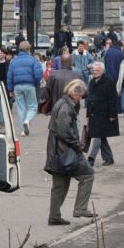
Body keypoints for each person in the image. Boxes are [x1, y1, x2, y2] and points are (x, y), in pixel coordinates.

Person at [45, 79, 95, 226]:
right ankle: (80, 208)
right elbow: (64, 131)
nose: (81, 98)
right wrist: (77, 145)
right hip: (64, 151)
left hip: (57, 152)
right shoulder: (66, 108)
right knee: (87, 174)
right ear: (74, 94)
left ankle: (54, 216)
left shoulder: (62, 103)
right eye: (80, 95)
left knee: (60, 184)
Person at [85, 61, 119, 167]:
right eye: (93, 70)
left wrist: (113, 115)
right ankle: (109, 158)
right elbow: (89, 99)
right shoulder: (91, 82)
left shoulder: (109, 82)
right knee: (101, 137)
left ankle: (91, 158)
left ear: (102, 71)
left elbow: (113, 99)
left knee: (98, 136)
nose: (94, 72)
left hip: (104, 113)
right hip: (94, 114)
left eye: (97, 70)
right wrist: (87, 114)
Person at [7, 40, 43, 136]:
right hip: (29, 85)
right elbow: (38, 74)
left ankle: (23, 130)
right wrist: (36, 84)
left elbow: (10, 75)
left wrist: (10, 89)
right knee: (32, 106)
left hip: (17, 86)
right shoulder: (33, 60)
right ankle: (27, 120)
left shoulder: (14, 61)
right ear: (29, 49)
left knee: (20, 108)